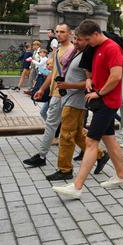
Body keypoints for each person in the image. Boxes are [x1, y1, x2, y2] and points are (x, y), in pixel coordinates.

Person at [52, 20, 123, 199]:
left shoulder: (112, 48)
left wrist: (99, 93)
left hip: (107, 101)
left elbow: (116, 76)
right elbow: (94, 72)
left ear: (95, 34)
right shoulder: (97, 47)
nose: (86, 43)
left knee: (91, 142)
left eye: (87, 39)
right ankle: (121, 176)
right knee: (109, 140)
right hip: (103, 100)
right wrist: (89, 81)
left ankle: (77, 187)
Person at [45, 34, 109, 181]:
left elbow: (90, 82)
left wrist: (68, 85)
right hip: (70, 98)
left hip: (75, 100)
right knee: (77, 134)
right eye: (75, 39)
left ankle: (65, 169)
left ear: (88, 40)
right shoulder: (77, 53)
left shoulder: (87, 57)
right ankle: (100, 155)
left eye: (79, 39)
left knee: (66, 135)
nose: (75, 42)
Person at [24, 24, 74, 167]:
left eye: (62, 32)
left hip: (62, 93)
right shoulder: (58, 50)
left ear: (69, 33)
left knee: (52, 124)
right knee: (72, 128)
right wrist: (42, 89)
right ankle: (99, 154)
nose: (59, 34)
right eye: (57, 31)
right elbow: (53, 73)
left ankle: (41, 156)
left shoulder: (71, 50)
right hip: (55, 92)